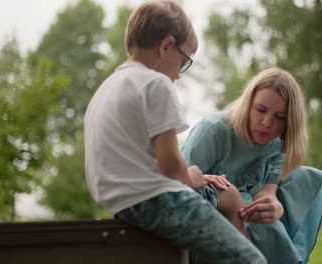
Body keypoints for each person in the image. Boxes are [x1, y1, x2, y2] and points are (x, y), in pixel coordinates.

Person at [84, 1, 266, 263]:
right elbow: (170, 164)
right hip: (160, 201)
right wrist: (190, 175)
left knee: (224, 197)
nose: (179, 74)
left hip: (121, 205)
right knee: (250, 260)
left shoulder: (106, 90)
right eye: (184, 61)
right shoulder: (155, 83)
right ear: (167, 45)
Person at [181, 67, 322, 264]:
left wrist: (274, 205)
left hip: (247, 213)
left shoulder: (277, 143)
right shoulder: (214, 130)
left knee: (270, 220)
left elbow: (267, 191)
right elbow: (182, 184)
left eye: (280, 117)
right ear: (248, 103)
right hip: (209, 211)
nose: (267, 123)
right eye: (260, 110)